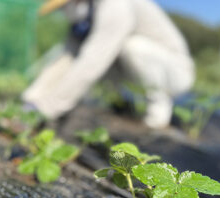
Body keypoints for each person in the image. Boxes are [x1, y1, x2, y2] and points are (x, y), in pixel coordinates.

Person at [23, 0, 195, 128]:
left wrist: (48, 108)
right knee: (94, 53)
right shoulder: (84, 20)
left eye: (62, 7)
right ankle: (122, 104)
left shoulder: (115, 5)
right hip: (139, 72)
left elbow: (93, 61)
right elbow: (65, 59)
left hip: (175, 73)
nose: (62, 13)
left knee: (132, 47)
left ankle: (157, 110)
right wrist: (32, 98)